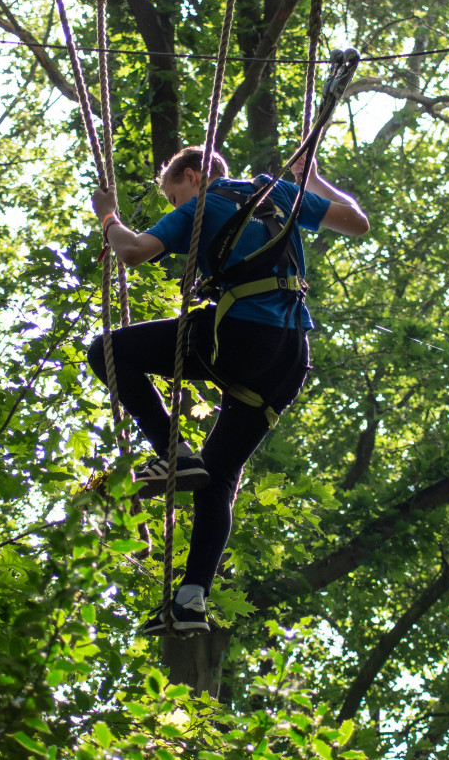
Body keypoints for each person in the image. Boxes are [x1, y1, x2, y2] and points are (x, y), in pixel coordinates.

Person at [87, 145, 368, 636]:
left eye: (174, 197)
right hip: (288, 360)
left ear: (193, 177)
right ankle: (190, 602)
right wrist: (315, 181)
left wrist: (107, 214)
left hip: (237, 338)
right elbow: (357, 222)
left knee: (107, 351)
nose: (176, 208)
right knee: (216, 479)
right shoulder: (281, 193)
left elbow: (132, 251)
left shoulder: (201, 206)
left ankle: (172, 450)